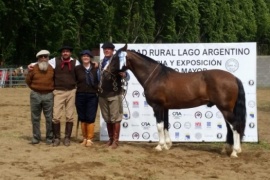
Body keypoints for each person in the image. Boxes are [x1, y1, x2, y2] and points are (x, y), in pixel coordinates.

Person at [99, 42, 130, 149]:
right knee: (107, 118)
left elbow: (127, 75)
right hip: (102, 94)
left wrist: (124, 74)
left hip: (114, 93)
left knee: (115, 118)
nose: (106, 50)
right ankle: (110, 139)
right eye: (105, 49)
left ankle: (115, 141)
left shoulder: (118, 61)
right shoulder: (101, 62)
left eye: (109, 49)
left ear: (112, 51)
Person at [25, 50, 54, 144]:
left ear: (48, 58)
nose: (43, 58)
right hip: (35, 95)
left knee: (49, 117)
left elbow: (55, 81)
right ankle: (36, 137)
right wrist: (35, 89)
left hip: (49, 95)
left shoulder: (52, 69)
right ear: (38, 59)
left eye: (45, 56)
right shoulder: (33, 69)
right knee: (35, 117)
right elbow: (28, 81)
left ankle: (49, 137)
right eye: (41, 57)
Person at [75, 50, 99, 147]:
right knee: (82, 117)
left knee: (90, 117)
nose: (85, 58)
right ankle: (84, 138)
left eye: (87, 56)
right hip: (80, 94)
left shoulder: (96, 68)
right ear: (81, 58)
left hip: (92, 95)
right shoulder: (77, 69)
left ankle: (90, 138)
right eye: (84, 56)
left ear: (90, 58)